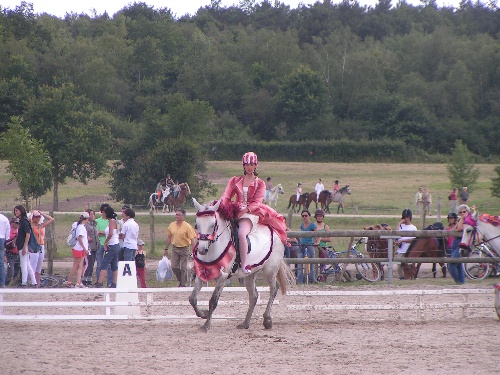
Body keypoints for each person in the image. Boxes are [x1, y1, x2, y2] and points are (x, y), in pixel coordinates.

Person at [220, 151, 287, 273]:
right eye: (247, 164)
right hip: (236, 209)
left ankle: (245, 263)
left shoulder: (260, 183)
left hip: (250, 213)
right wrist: (223, 206)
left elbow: (257, 201)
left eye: (252, 164)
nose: (249, 167)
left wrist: (245, 210)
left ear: (256, 165)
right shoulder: (235, 180)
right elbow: (226, 195)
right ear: (243, 165)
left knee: (241, 233)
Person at [164, 208, 196, 287]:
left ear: (183, 216)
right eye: (176, 214)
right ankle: (181, 280)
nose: (176, 216)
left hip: (184, 248)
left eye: (178, 215)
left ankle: (183, 284)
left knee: (183, 267)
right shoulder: (172, 225)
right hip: (175, 248)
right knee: (174, 266)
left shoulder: (187, 226)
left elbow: (192, 239)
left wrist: (194, 251)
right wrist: (166, 249)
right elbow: (169, 237)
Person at [94, 206, 120, 288]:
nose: (103, 214)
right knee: (114, 265)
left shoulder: (112, 221)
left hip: (112, 245)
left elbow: (111, 233)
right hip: (115, 245)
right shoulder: (112, 221)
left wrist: (106, 242)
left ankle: (99, 282)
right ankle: (114, 283)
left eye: (104, 212)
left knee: (104, 264)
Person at [30, 210, 55, 287]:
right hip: (35, 246)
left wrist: (42, 214)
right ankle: (32, 282)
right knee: (33, 265)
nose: (37, 219)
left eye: (38, 217)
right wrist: (31, 214)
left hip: (41, 245)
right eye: (36, 217)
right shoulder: (32, 226)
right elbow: (29, 221)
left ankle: (38, 283)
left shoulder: (41, 226)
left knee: (39, 266)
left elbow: (51, 219)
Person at [13, 205, 36, 288]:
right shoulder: (22, 221)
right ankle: (34, 282)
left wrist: (24, 246)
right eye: (15, 211)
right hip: (21, 244)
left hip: (23, 245)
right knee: (27, 264)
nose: (16, 212)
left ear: (21, 211)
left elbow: (28, 234)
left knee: (23, 264)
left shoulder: (24, 221)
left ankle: (24, 282)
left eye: (17, 211)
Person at [66, 212, 90, 288]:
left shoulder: (81, 226)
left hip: (81, 249)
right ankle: (69, 281)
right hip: (78, 249)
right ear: (86, 219)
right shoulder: (81, 227)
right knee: (75, 266)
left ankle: (78, 282)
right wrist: (84, 248)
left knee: (80, 266)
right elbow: (79, 238)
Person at [295, 210, 319, 284]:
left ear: (309, 216)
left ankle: (311, 280)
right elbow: (300, 234)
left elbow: (318, 234)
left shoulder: (312, 225)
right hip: (302, 246)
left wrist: (317, 242)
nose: (304, 217)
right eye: (303, 216)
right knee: (299, 264)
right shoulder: (302, 225)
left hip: (309, 245)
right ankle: (299, 281)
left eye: (306, 216)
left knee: (311, 264)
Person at [448, 204, 469, 285]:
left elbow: (460, 229)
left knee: (451, 265)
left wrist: (462, 219)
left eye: (464, 212)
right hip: (455, 243)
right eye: (460, 212)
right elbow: (452, 231)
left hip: (461, 243)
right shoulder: (461, 220)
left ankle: (458, 282)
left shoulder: (468, 221)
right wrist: (460, 220)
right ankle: (461, 283)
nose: (462, 213)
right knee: (459, 265)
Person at [395, 209, 417, 280]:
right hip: (401, 249)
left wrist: (403, 240)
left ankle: (411, 277)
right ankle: (401, 277)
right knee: (398, 265)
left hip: (409, 249)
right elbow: (396, 232)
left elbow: (413, 240)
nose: (406, 219)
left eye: (407, 217)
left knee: (410, 265)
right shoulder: (401, 226)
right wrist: (399, 223)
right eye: (404, 217)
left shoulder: (413, 227)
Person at [95, 203, 113, 286]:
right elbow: (96, 232)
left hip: (108, 245)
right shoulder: (97, 221)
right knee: (99, 264)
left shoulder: (111, 222)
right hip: (99, 244)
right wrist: (105, 233)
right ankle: (99, 282)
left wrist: (103, 233)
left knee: (109, 264)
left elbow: (110, 233)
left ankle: (110, 283)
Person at [82, 209, 100, 286]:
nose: (93, 216)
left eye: (93, 214)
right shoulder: (85, 225)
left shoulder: (94, 224)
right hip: (89, 247)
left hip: (95, 246)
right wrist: (87, 237)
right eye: (91, 214)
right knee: (88, 264)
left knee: (92, 264)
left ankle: (89, 280)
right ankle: (84, 279)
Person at [5, 216, 20, 286]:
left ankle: (14, 284)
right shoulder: (9, 232)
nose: (18, 224)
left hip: (18, 253)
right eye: (16, 223)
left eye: (19, 223)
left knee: (17, 271)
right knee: (10, 271)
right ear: (12, 223)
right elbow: (6, 244)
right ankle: (5, 285)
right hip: (10, 254)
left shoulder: (19, 231)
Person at [0, 211, 10, 288]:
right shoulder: (5, 218)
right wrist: (6, 240)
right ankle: (2, 282)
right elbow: (8, 231)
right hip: (2, 238)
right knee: (1, 262)